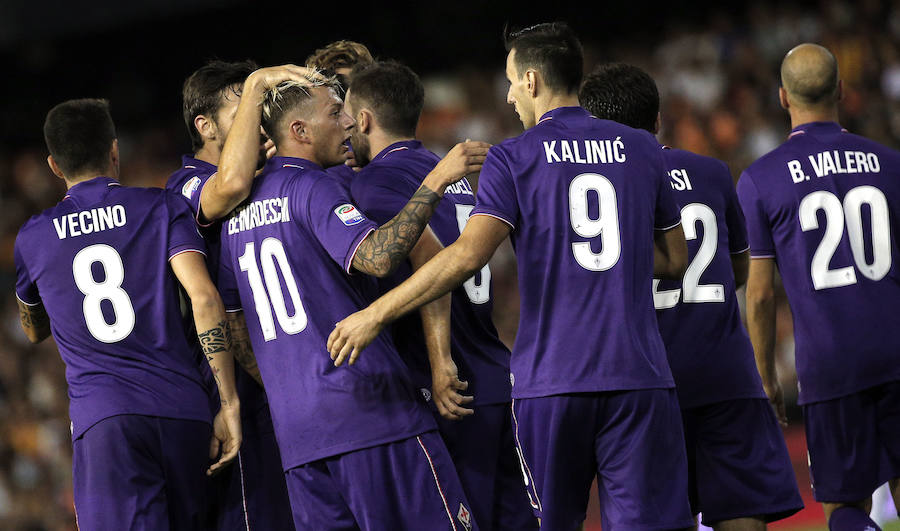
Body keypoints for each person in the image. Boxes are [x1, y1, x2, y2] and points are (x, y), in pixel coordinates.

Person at [327, 23, 693, 531]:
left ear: (533, 80)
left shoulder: (513, 156)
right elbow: (675, 259)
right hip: (640, 376)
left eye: (511, 80)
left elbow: (464, 258)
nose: (508, 94)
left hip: (552, 382)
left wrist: (375, 314)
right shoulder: (643, 148)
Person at [217, 76, 490, 530]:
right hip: (371, 415)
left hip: (299, 439)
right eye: (333, 114)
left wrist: (292, 385)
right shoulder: (314, 188)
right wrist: (436, 179)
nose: (347, 122)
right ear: (300, 132)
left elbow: (234, 328)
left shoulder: (234, 217)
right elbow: (378, 258)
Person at [580, 63, 803, 531]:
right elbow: (738, 268)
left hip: (649, 376)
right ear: (658, 119)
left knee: (661, 515)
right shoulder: (711, 171)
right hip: (724, 368)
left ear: (595, 129)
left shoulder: (601, 191)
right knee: (741, 509)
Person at [14, 98, 241, 529]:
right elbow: (205, 299)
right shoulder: (160, 207)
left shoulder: (33, 237)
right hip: (185, 413)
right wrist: (228, 402)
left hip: (107, 424)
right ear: (114, 150)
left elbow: (32, 329)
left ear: (54, 166)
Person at [344, 60, 537, 530]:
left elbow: (430, 264)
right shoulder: (451, 171)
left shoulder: (373, 183)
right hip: (496, 374)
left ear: (365, 120)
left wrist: (438, 359)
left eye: (348, 117)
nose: (346, 128)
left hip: (446, 390)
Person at [738, 43, 900, 531]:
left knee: (844, 508)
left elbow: (761, 293)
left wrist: (765, 377)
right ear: (842, 91)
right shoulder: (891, 164)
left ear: (783, 97)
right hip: (896, 351)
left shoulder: (760, 179)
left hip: (828, 367)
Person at [167, 60, 313, 531]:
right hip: (234, 383)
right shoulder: (182, 187)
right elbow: (226, 187)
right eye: (243, 109)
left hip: (284, 370)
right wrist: (256, 84)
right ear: (204, 127)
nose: (258, 116)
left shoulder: (269, 174)